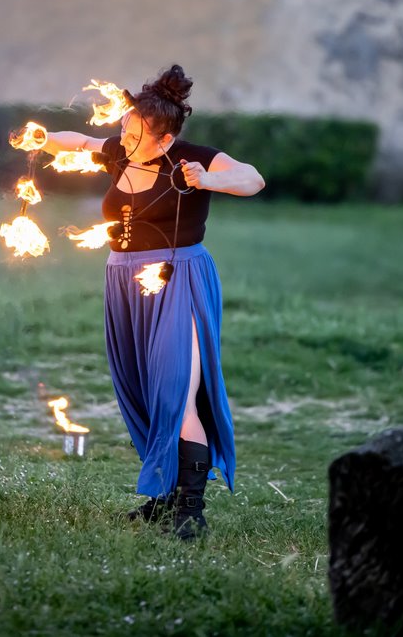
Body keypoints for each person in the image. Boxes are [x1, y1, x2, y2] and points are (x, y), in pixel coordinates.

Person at [41, 65, 265, 540]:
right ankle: (164, 500)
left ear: (164, 141)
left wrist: (208, 179)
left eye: (135, 133)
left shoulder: (189, 159)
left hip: (177, 279)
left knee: (176, 391)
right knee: (143, 391)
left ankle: (190, 512)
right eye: (124, 126)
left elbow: (252, 180)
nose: (123, 135)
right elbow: (76, 143)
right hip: (123, 283)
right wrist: (39, 137)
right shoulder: (119, 156)